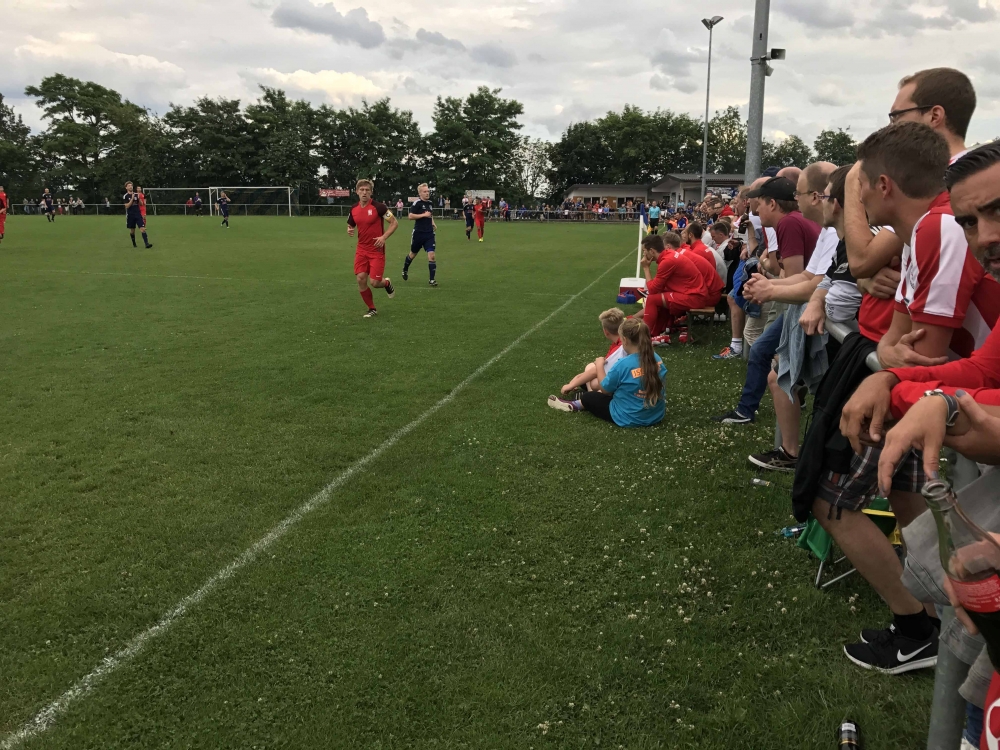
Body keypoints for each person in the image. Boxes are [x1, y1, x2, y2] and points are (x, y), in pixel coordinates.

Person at [711, 176, 819, 424]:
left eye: (759, 202)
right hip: (808, 300)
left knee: (767, 353)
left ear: (772, 203)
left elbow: (795, 277)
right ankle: (755, 407)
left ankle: (749, 410)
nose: (756, 209)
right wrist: (769, 284)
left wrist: (768, 287)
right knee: (764, 352)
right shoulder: (794, 221)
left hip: (805, 303)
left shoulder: (789, 223)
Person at [547, 318, 666, 427]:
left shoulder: (623, 364)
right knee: (594, 384)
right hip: (655, 415)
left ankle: (576, 405)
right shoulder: (657, 358)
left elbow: (605, 389)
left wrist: (599, 365)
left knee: (589, 397)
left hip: (628, 416)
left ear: (625, 340)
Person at [639, 233, 707, 342]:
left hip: (695, 297)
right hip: (695, 293)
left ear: (651, 251)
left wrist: (646, 268)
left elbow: (652, 290)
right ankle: (654, 334)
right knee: (659, 298)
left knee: (652, 299)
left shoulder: (667, 261)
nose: (643, 254)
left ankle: (642, 337)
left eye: (644, 251)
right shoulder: (668, 255)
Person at [347, 178, 397, 319]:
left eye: (367, 190)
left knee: (375, 283)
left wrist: (384, 237)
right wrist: (349, 229)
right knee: (361, 279)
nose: (364, 192)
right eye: (362, 190)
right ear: (357, 192)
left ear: (371, 192)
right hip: (361, 250)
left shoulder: (379, 207)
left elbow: (394, 223)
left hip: (376, 250)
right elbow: (351, 224)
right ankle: (371, 308)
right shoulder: (353, 209)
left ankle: (386, 283)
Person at [559, 308, 627, 396]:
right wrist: (575, 380)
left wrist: (571, 385)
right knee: (590, 367)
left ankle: (592, 397)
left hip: (620, 382)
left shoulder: (620, 348)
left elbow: (596, 371)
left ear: (605, 331)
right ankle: (591, 395)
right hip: (626, 377)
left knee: (594, 382)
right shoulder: (621, 341)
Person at [402, 183, 438, 286]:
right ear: (420, 193)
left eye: (428, 191)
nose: (427, 193)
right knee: (413, 254)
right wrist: (423, 215)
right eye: (425, 191)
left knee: (432, 255)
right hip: (418, 234)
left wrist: (432, 222)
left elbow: (430, 215)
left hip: (429, 234)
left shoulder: (430, 203)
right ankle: (405, 269)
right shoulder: (417, 203)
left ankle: (432, 280)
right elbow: (410, 216)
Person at [123, 181, 152, 249]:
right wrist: (132, 199)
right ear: (126, 187)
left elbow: (141, 204)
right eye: (129, 186)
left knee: (142, 229)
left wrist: (139, 199)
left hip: (138, 214)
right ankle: (134, 243)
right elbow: (127, 206)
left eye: (131, 185)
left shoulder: (136, 194)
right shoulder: (125, 196)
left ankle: (147, 244)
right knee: (132, 231)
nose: (130, 187)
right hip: (130, 215)